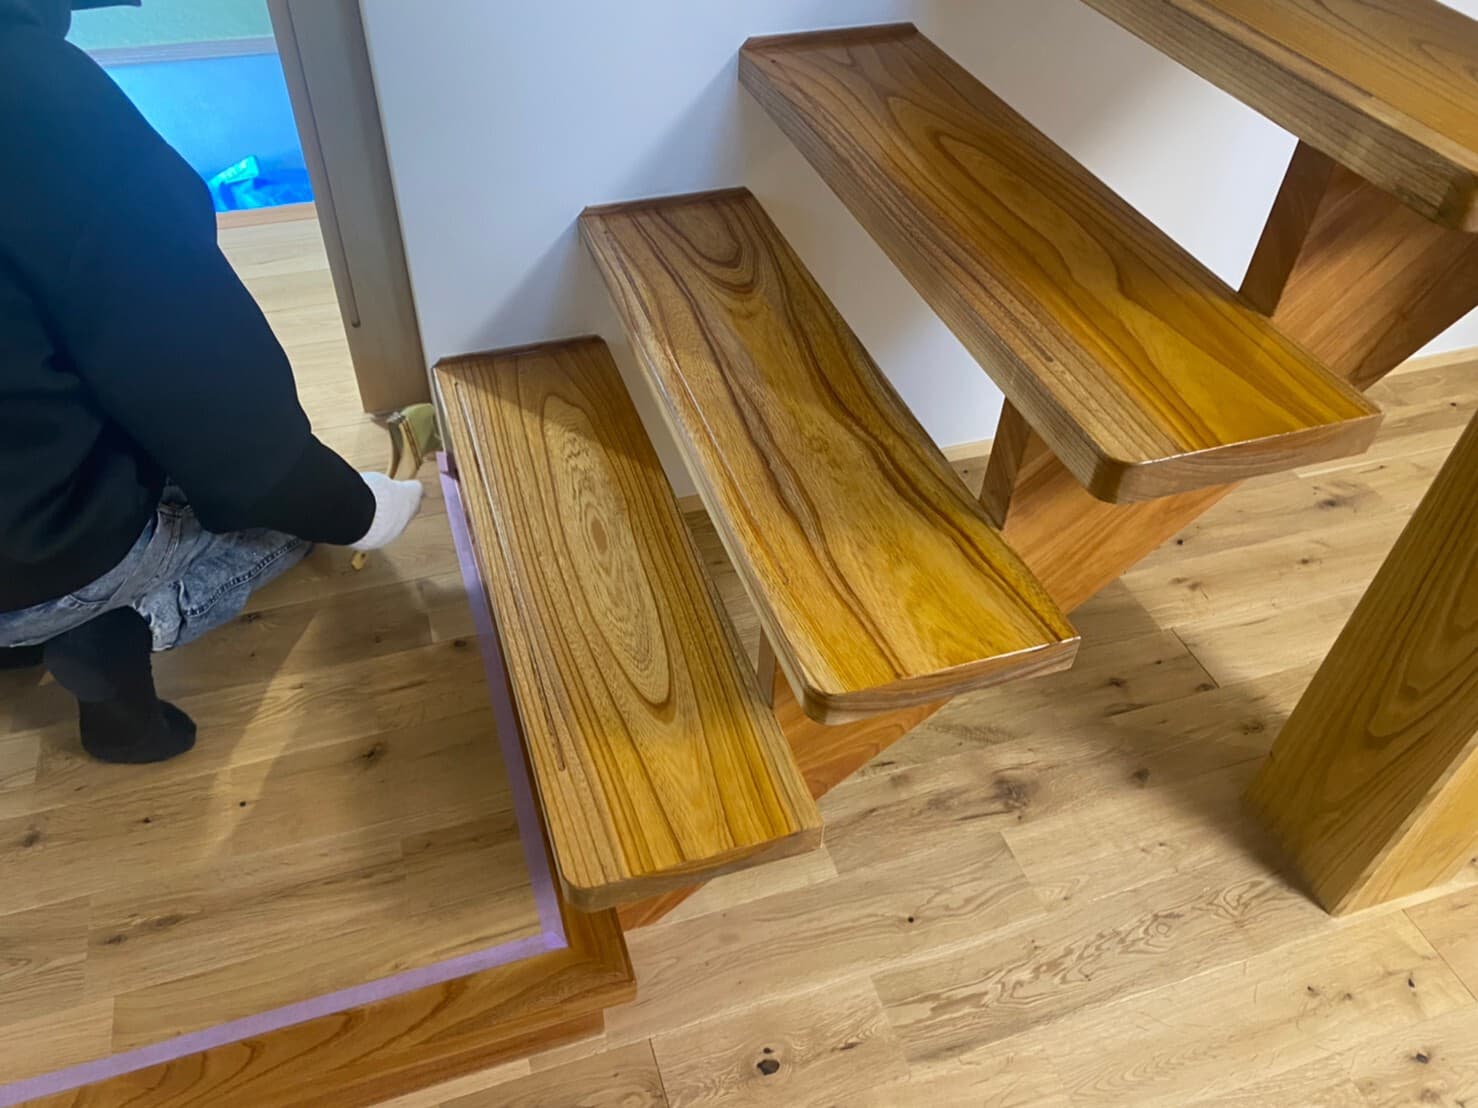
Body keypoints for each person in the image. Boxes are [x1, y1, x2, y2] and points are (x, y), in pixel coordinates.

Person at [0, 0, 424, 763]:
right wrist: (361, 509)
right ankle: (121, 630)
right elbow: (211, 399)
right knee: (285, 521)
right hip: (45, 554)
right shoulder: (31, 99)